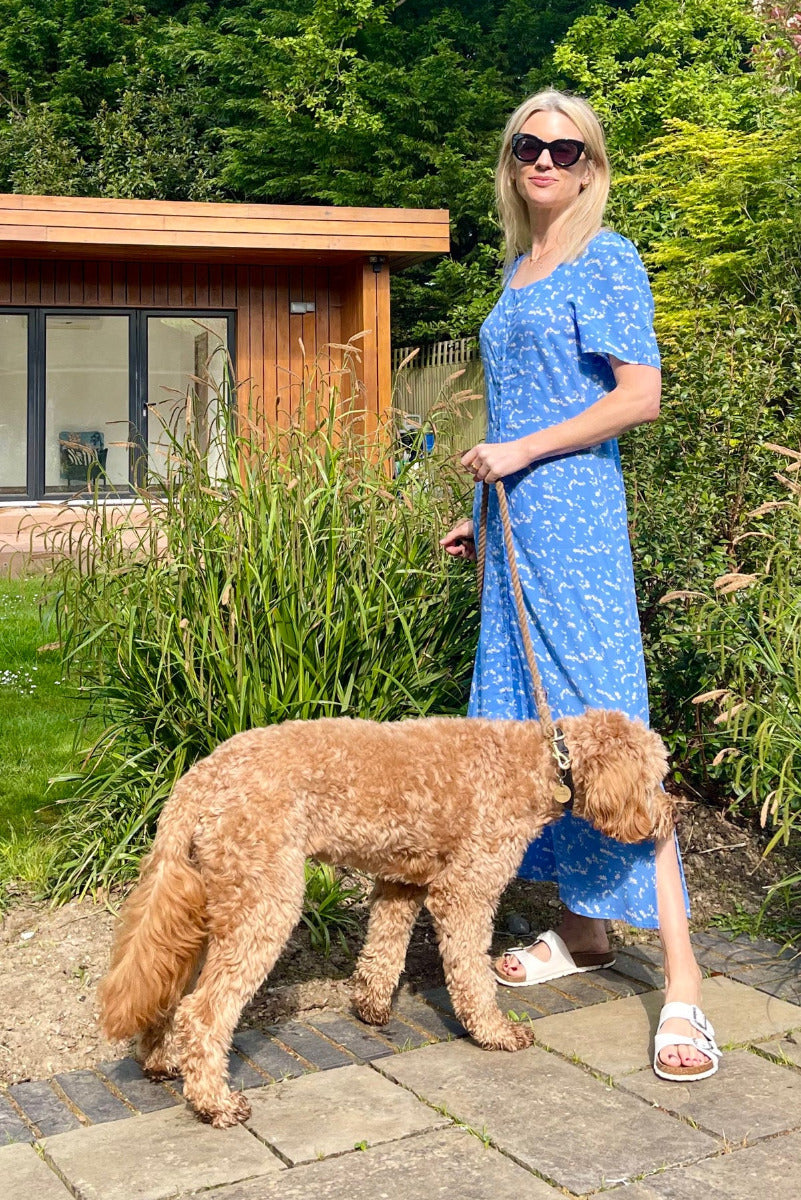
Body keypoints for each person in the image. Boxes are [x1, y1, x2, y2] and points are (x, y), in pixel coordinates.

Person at [440, 90, 720, 1081]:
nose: (545, 161)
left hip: (578, 530)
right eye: (529, 145)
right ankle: (585, 931)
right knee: (529, 729)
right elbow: (518, 405)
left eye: (566, 149)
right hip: (516, 528)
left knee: (610, 734)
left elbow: (639, 396)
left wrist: (520, 454)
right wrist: (483, 510)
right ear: (511, 160)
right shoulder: (519, 266)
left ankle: (683, 981)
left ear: (591, 166)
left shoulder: (607, 258)